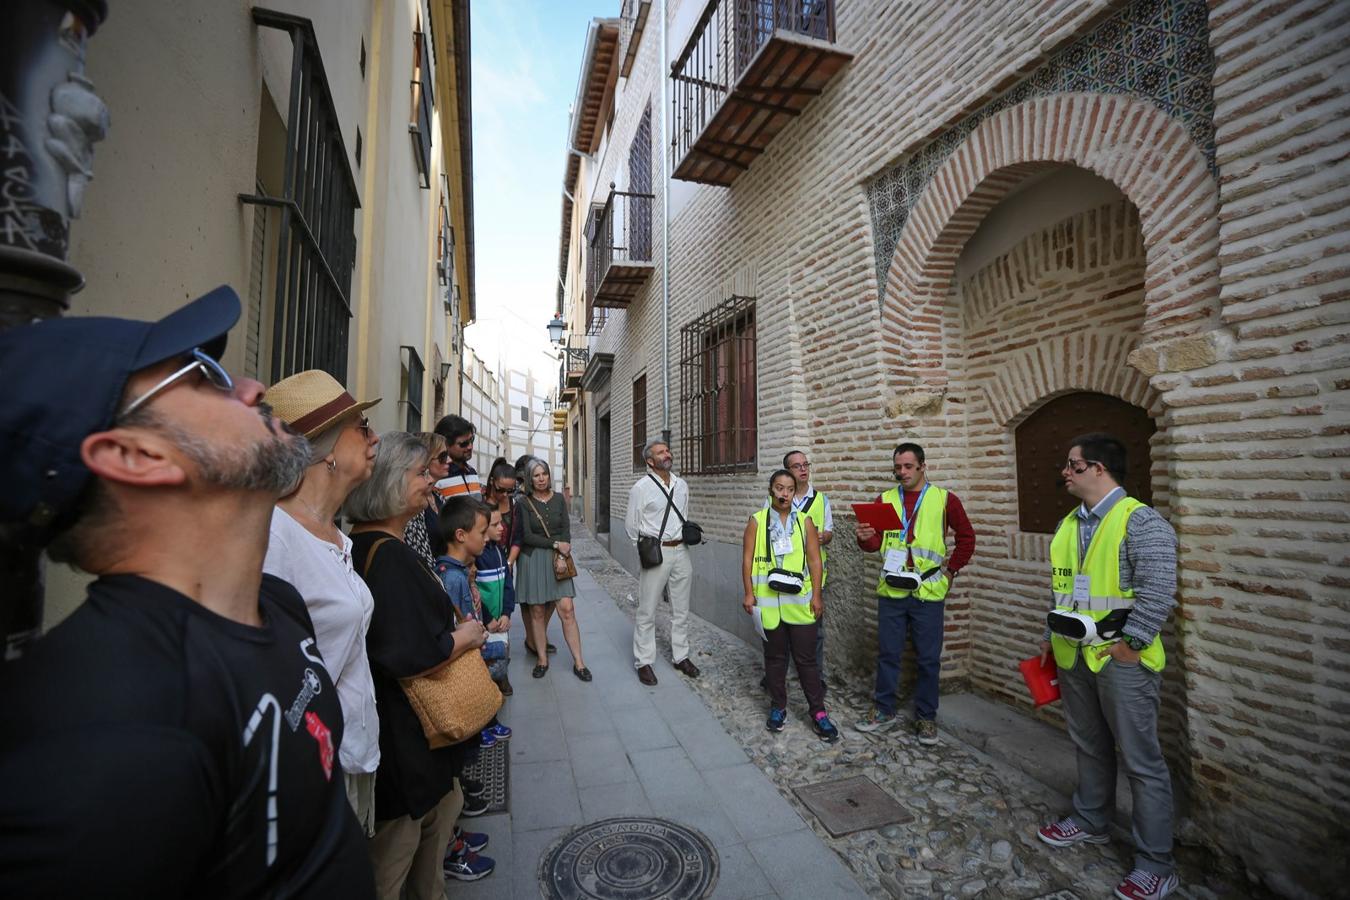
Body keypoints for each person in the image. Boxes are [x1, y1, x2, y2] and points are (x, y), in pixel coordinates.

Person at [0, 287, 374, 897]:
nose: (251, 388)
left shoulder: (278, 605)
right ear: (137, 455)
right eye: (204, 379)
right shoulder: (102, 731)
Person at [1035, 434, 1180, 900]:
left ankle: (1156, 863)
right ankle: (1091, 819)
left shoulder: (1142, 522)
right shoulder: (1067, 525)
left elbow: (1158, 591)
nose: (1065, 472)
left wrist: (1131, 646)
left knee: (1142, 760)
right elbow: (1063, 592)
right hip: (1072, 654)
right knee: (1088, 743)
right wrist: (1048, 641)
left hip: (1121, 661)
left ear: (1099, 469)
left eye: (1073, 465)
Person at [346, 432, 488, 898]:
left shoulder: (374, 545)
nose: (430, 482)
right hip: (406, 742)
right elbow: (408, 652)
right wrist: (463, 637)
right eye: (420, 474)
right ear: (390, 483)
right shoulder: (386, 558)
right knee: (396, 866)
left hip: (411, 739)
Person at [264, 369, 383, 835]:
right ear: (329, 448)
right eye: (363, 428)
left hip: (352, 755)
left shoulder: (334, 534)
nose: (374, 439)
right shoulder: (276, 537)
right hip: (314, 771)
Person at [854, 441, 975, 744]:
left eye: (908, 466)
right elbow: (873, 544)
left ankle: (926, 718)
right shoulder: (883, 500)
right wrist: (864, 539)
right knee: (888, 654)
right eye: (897, 467)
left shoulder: (945, 499)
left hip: (928, 591)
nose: (902, 472)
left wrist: (949, 573)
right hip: (892, 590)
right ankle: (884, 710)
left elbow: (967, 538)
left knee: (928, 659)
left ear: (923, 466)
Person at [432, 497, 503, 884]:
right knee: (457, 767)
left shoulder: (458, 572)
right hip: (459, 676)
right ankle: (451, 845)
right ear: (461, 536)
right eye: (481, 531)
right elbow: (460, 628)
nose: (487, 536)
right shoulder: (453, 577)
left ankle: (456, 834)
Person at [742, 470, 840, 742]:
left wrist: (817, 595)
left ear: (794, 492)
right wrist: (749, 593)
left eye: (789, 489)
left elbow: (815, 561)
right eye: (779, 488)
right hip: (770, 604)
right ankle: (778, 707)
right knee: (775, 660)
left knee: (807, 661)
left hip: (800, 603)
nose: (784, 493)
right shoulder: (757, 521)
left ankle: (818, 713)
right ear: (771, 490)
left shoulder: (804, 523)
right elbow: (747, 560)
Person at [625, 439, 698, 685]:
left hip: (681, 551)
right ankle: (644, 661)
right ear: (649, 461)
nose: (667, 454)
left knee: (681, 608)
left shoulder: (681, 485)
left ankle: (681, 656)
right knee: (647, 608)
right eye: (660, 452)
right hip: (656, 552)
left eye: (667, 450)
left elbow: (684, 516)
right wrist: (646, 549)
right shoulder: (641, 488)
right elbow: (632, 526)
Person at [516, 458, 590, 681]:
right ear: (530, 479)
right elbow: (527, 536)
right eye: (536, 475)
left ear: (549, 475)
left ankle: (579, 663)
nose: (541, 479)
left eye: (544, 474)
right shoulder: (523, 502)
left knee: (567, 609)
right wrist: (555, 545)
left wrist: (562, 553)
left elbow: (565, 530)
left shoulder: (559, 499)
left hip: (558, 558)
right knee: (537, 611)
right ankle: (541, 659)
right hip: (534, 559)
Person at [783, 450, 833, 687]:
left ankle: (816, 678)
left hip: (811, 577)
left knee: (815, 632)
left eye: (805, 464)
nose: (803, 469)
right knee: (781, 630)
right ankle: (780, 673)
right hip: (784, 575)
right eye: (796, 466)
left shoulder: (821, 500)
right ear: (787, 472)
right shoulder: (778, 498)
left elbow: (830, 532)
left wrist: (823, 536)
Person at [473, 479, 516, 698]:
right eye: (496, 525)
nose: (502, 528)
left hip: (502, 618)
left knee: (504, 649)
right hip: (486, 622)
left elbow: (508, 585)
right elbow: (475, 594)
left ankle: (502, 677)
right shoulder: (477, 557)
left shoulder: (500, 551)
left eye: (502, 523)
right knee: (486, 658)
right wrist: (487, 617)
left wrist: (507, 613)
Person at [432, 414, 479, 501]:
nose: (470, 447)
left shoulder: (472, 472)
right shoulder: (438, 477)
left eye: (471, 440)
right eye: (463, 444)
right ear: (446, 445)